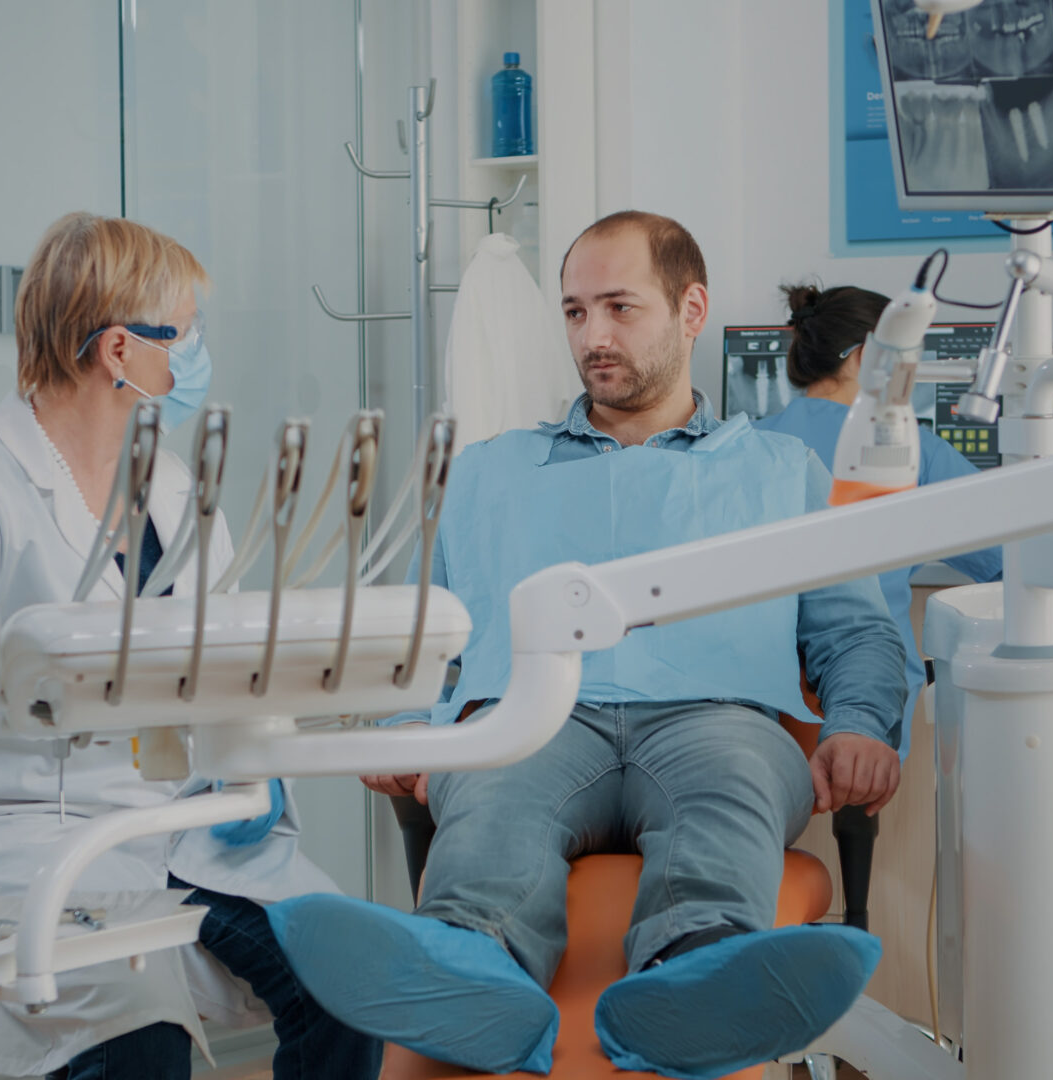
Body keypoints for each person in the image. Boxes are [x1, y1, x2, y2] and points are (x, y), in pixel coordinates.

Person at [267, 211, 908, 1078]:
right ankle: (473, 976)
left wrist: (860, 724)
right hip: (532, 720)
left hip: (714, 721)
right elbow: (426, 636)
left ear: (692, 309)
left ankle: (694, 982)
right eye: (574, 313)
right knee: (491, 796)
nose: (592, 337)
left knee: (726, 791)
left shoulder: (778, 472)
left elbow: (855, 630)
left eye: (618, 308)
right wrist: (410, 722)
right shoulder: (491, 472)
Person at [0, 212, 379, 1080]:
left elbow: (230, 652)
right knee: (138, 1046)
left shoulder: (171, 483)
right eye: (186, 331)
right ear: (121, 351)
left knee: (349, 983)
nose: (197, 351)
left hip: (172, 823)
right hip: (23, 831)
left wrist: (257, 763)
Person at [755, 283, 1005, 757]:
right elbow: (1008, 561)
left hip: (763, 718)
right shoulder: (910, 453)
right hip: (870, 722)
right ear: (869, 355)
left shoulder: (747, 442)